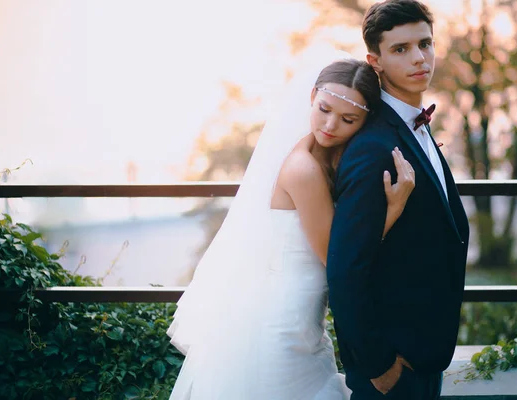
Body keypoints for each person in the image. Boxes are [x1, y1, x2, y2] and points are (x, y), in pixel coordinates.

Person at [167, 57, 416, 399]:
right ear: (312, 95)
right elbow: (335, 257)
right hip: (282, 325)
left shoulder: (331, 157)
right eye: (324, 109)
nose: (330, 125)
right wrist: (394, 208)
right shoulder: (304, 169)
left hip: (304, 320)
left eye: (348, 119)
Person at [326, 1, 470, 399]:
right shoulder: (373, 146)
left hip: (424, 354)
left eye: (425, 43)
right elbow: (345, 269)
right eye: (401, 49)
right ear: (375, 61)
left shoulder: (412, 126)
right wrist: (378, 366)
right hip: (392, 368)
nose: (420, 58)